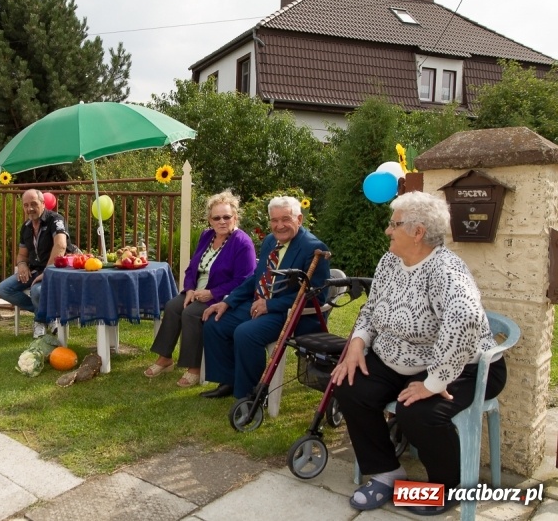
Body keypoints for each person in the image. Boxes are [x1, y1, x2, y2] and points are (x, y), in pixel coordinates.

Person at [331, 191, 507, 516]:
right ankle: (386, 472)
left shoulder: (445, 270)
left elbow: (467, 318)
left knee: (417, 412)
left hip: (466, 365)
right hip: (404, 359)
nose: (387, 230)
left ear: (417, 232)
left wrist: (434, 382)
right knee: (350, 386)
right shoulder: (390, 261)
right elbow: (372, 308)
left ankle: (447, 488)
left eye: (393, 224)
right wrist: (358, 341)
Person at [200, 195, 330, 399]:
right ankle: (229, 381)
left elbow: (316, 296)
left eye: (285, 219)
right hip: (261, 304)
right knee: (215, 322)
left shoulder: (314, 249)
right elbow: (256, 278)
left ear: (299, 219)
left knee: (246, 333)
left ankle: (251, 394)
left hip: (292, 314)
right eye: (274, 220)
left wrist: (270, 305)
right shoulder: (271, 241)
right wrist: (227, 301)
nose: (279, 225)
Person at [144, 190, 256, 387]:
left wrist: (213, 293)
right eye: (217, 218)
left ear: (235, 217)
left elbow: (244, 280)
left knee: (191, 314)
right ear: (210, 220)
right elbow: (191, 268)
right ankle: (165, 358)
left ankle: (194, 367)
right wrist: (188, 289)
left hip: (222, 297)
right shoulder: (207, 236)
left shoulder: (242, 243)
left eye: (227, 217)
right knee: (172, 306)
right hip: (196, 291)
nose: (222, 221)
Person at [0, 189, 77, 338]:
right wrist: (21, 264)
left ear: (43, 203)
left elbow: (60, 246)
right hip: (34, 270)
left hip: (56, 270)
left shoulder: (55, 219)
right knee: (3, 289)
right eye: (26, 205)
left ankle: (40, 321)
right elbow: (22, 254)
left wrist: (47, 272)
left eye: (34, 204)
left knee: (37, 291)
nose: (30, 208)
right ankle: (47, 314)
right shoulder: (26, 227)